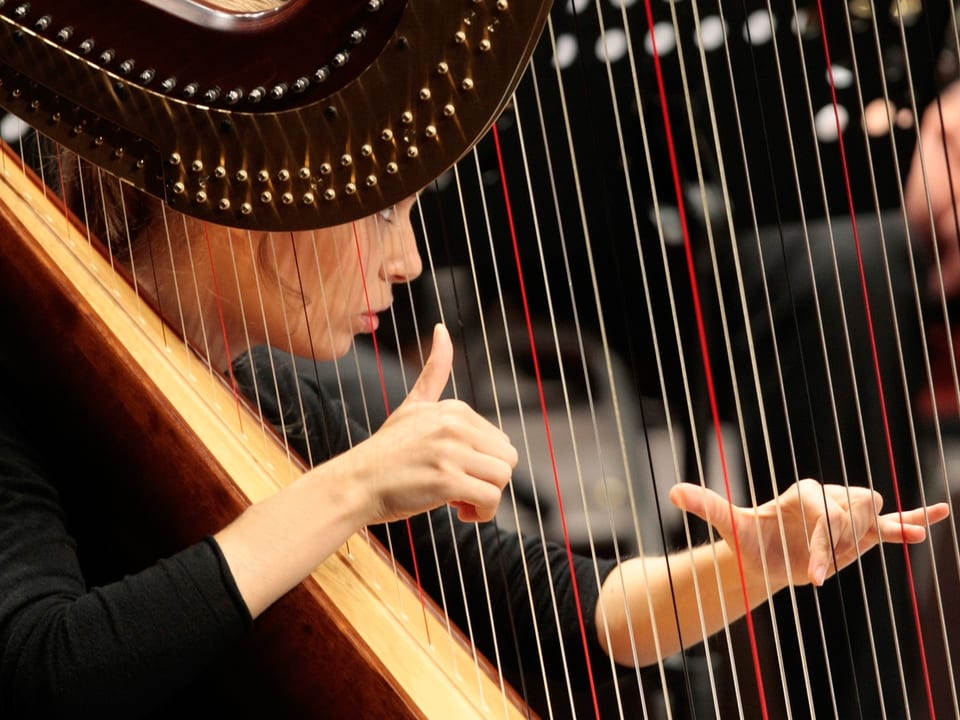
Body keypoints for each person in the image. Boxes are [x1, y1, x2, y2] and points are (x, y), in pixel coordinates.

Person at [0, 137, 949, 719]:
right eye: (382, 213)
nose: (409, 261)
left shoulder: (283, 399)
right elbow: (50, 670)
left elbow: (543, 604)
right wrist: (352, 487)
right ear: (258, 197)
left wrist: (753, 565)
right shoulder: (25, 382)